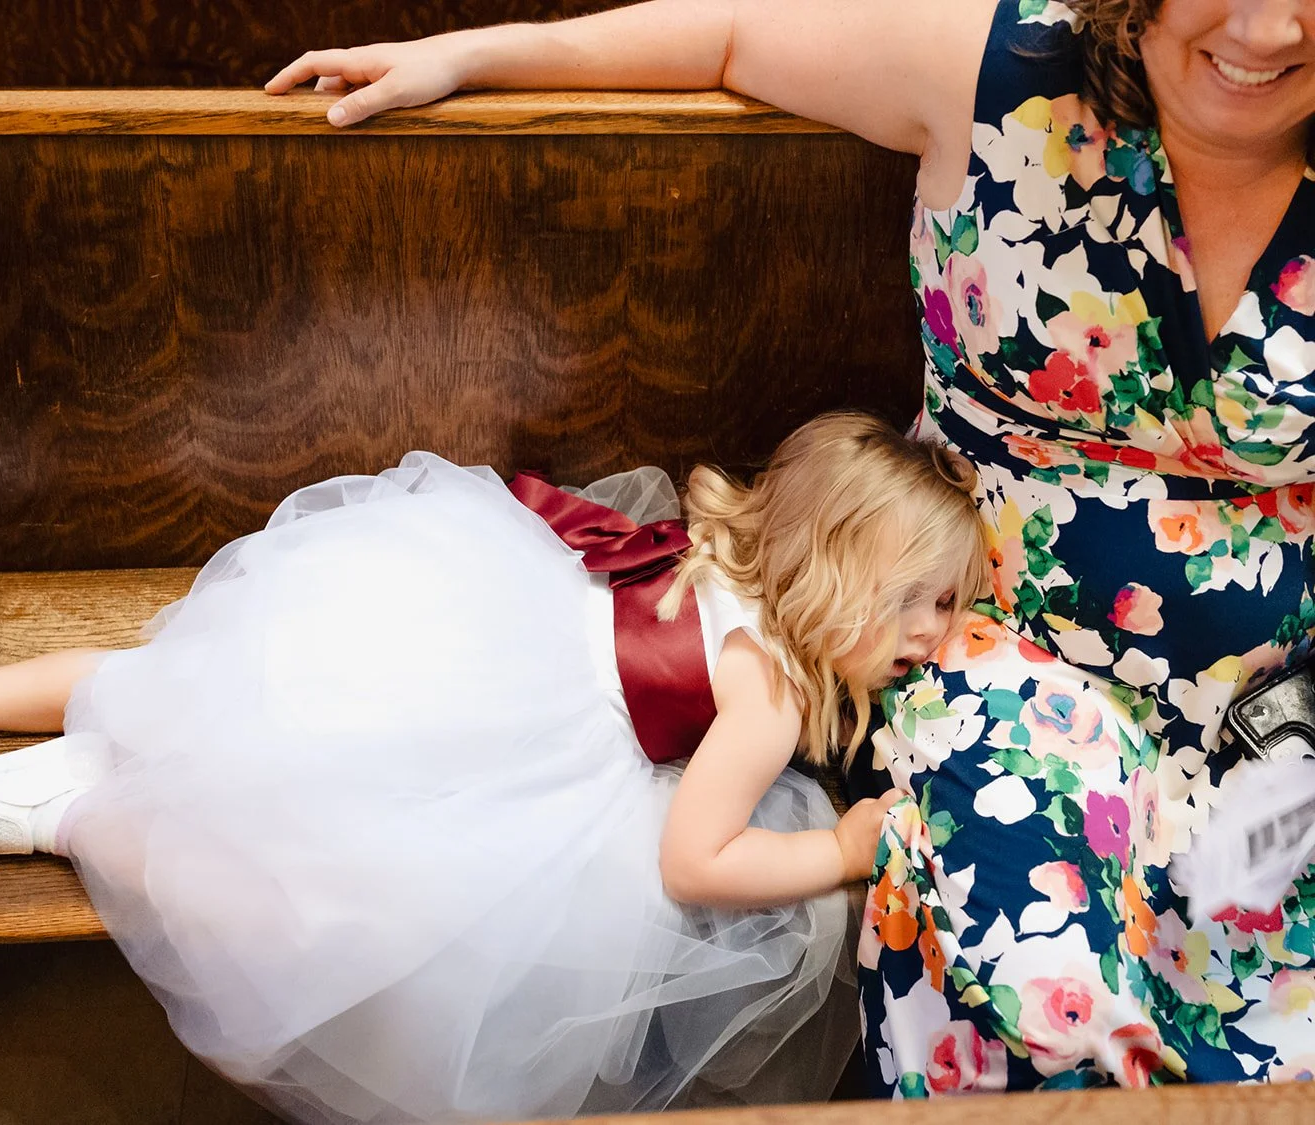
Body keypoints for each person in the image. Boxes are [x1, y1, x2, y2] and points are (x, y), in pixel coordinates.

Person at [262, 0, 1315, 1096]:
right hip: (980, 637)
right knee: (1033, 952)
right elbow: (731, 33)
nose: (1268, 29)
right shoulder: (1001, 67)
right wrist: (472, 53)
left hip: (1271, 706)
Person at [0, 412, 985, 1123]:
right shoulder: (771, 696)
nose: (937, 638)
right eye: (923, 604)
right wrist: (835, 849)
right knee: (330, 916)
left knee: (180, 687)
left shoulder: (713, 554)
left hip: (460, 640)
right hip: (512, 757)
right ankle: (71, 805)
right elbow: (694, 860)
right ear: (847, 574)